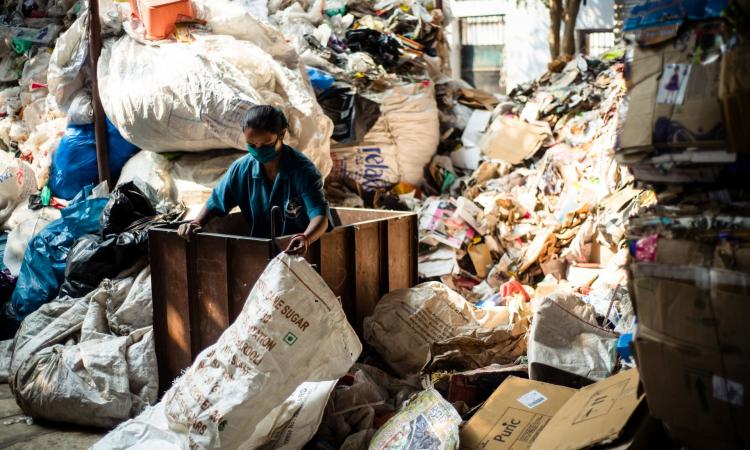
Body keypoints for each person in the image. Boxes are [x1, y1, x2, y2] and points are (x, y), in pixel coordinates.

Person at [177, 105, 329, 255]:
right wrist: (196, 223)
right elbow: (216, 201)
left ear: (281, 135)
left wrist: (306, 238)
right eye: (252, 145)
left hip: (297, 249)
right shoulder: (241, 169)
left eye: (266, 144)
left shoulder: (302, 171)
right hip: (259, 249)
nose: (258, 150)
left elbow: (319, 216)